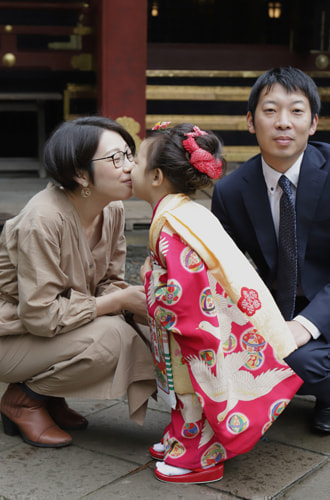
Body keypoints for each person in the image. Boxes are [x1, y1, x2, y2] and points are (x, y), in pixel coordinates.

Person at [131, 122, 302, 484]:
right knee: (180, 393)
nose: (128, 167)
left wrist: (152, 280)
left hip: (193, 329)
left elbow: (184, 290)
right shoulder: (183, 213)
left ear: (157, 176)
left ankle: (200, 457)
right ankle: (181, 440)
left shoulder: (174, 224)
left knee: (190, 392)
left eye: (135, 160)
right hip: (195, 322)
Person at [0, 116, 156, 449]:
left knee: (143, 330)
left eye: (130, 155)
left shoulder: (112, 208)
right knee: (113, 338)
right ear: (80, 173)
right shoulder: (42, 219)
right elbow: (39, 316)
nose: (130, 166)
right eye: (116, 158)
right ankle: (23, 399)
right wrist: (120, 302)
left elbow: (111, 281)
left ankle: (49, 396)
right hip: (11, 334)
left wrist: (140, 304)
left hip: (49, 330)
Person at [211, 66, 330, 434]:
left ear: (313, 124)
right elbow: (222, 270)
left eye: (296, 111)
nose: (283, 122)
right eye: (270, 111)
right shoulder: (230, 191)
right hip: (278, 310)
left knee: (299, 360)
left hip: (323, 306)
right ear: (250, 121)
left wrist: (305, 326)